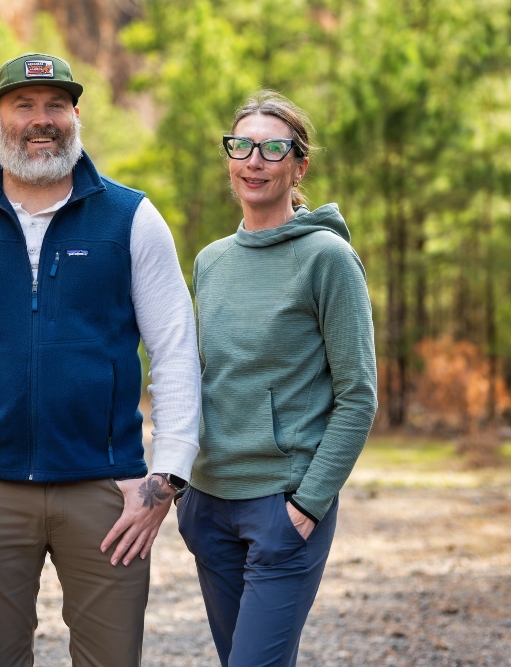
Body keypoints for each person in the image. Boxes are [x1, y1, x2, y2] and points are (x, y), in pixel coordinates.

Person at [0, 53, 201, 667]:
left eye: (56, 105)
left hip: (106, 490)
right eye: (23, 105)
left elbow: (175, 353)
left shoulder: (132, 218)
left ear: (76, 116)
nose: (41, 120)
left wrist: (165, 479)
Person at [180, 90, 377, 667]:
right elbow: (198, 375)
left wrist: (309, 504)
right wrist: (184, 490)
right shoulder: (211, 260)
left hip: (283, 504)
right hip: (209, 503)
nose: (254, 161)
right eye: (241, 146)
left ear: (299, 166)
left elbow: (358, 395)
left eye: (272, 148)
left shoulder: (327, 258)